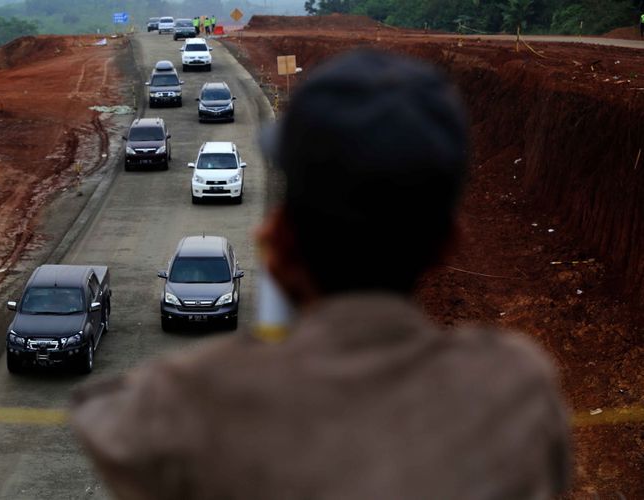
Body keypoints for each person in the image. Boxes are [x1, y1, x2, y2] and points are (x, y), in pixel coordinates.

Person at [71, 50, 571, 499]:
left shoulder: (193, 400)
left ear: (282, 237)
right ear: (448, 243)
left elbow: (105, 423)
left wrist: (271, 331)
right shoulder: (514, 389)